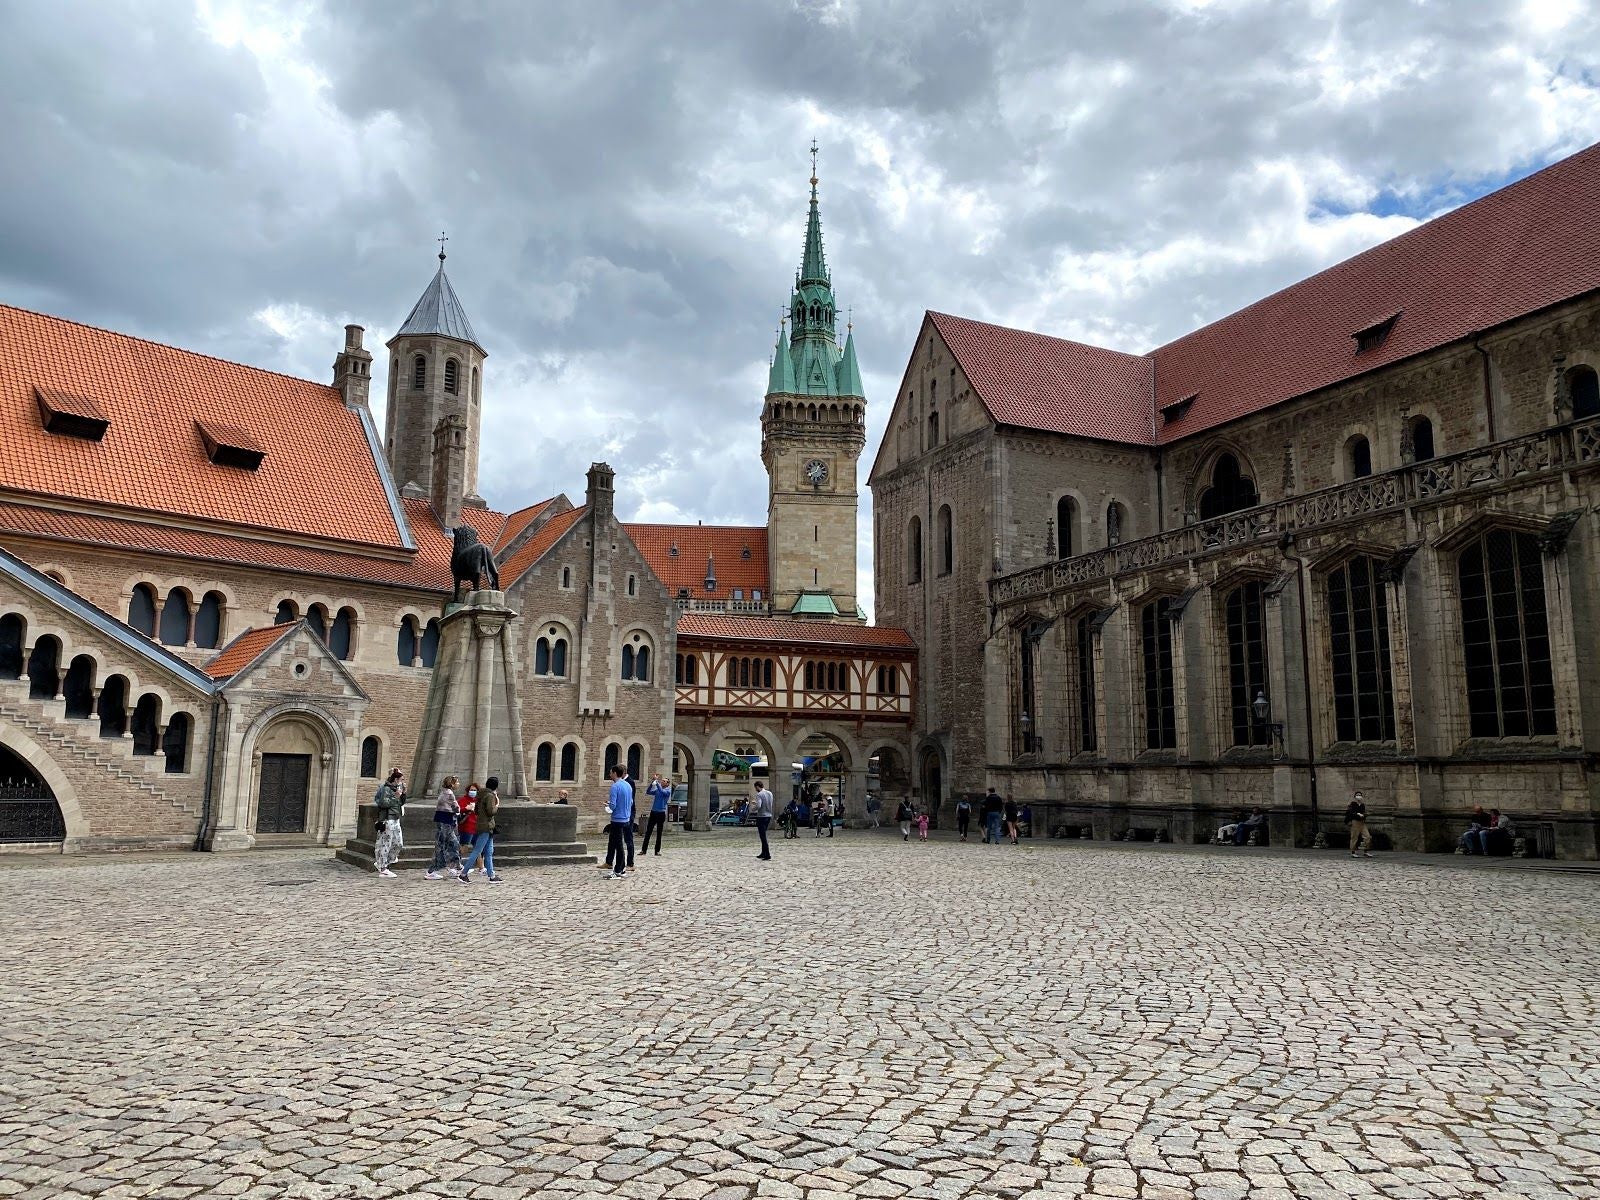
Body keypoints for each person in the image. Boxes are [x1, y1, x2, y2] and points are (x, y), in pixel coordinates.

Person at [459, 775, 501, 882]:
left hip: (485, 826)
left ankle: (491, 875)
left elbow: (477, 810)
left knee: (489, 851)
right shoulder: (490, 796)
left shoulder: (481, 795)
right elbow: (491, 811)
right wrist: (497, 805)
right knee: (477, 850)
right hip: (486, 826)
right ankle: (463, 873)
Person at [424, 775, 467, 881]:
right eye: (457, 782)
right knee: (442, 846)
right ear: (452, 784)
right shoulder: (449, 794)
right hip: (445, 821)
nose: (458, 784)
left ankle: (456, 867)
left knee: (453, 843)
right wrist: (462, 811)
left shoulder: (445, 792)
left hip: (445, 821)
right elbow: (456, 807)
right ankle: (432, 871)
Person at [372, 768, 406, 878]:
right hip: (388, 819)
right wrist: (395, 797)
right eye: (401, 779)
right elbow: (383, 803)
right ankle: (383, 868)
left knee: (398, 843)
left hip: (396, 818)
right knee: (385, 844)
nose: (402, 781)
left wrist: (403, 794)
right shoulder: (385, 788)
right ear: (396, 779)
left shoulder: (397, 788)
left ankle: (384, 862)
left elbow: (401, 803)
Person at [603, 765, 633, 880]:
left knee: (618, 845)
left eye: (611, 773)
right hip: (626, 818)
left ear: (615, 773)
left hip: (617, 819)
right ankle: (621, 868)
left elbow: (613, 805)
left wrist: (608, 806)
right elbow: (630, 802)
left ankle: (618, 870)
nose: (610, 774)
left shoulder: (615, 786)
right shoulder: (628, 785)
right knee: (618, 844)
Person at [641, 772, 671, 856]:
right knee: (648, 832)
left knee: (659, 833)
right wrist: (652, 783)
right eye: (662, 781)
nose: (662, 782)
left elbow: (662, 792)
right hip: (653, 812)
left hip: (661, 813)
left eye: (664, 781)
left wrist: (656, 781)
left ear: (667, 784)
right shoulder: (658, 789)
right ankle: (643, 850)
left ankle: (657, 851)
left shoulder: (667, 791)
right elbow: (648, 792)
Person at [1345, 790, 1372, 858]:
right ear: (1355, 797)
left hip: (1362, 822)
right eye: (1357, 795)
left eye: (1360, 795)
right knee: (1354, 837)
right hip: (1355, 822)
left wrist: (1365, 815)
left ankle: (1366, 851)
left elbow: (1364, 812)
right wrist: (1357, 814)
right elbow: (1349, 812)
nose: (1359, 796)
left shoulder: (1362, 805)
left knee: (1367, 837)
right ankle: (1353, 852)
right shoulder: (1352, 804)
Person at [752, 779, 774, 861]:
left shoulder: (759, 794)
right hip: (768, 815)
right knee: (763, 834)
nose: (755, 789)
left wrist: (753, 808)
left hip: (761, 816)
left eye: (755, 788)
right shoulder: (770, 793)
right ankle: (763, 852)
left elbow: (759, 806)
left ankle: (767, 854)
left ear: (757, 786)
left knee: (762, 836)